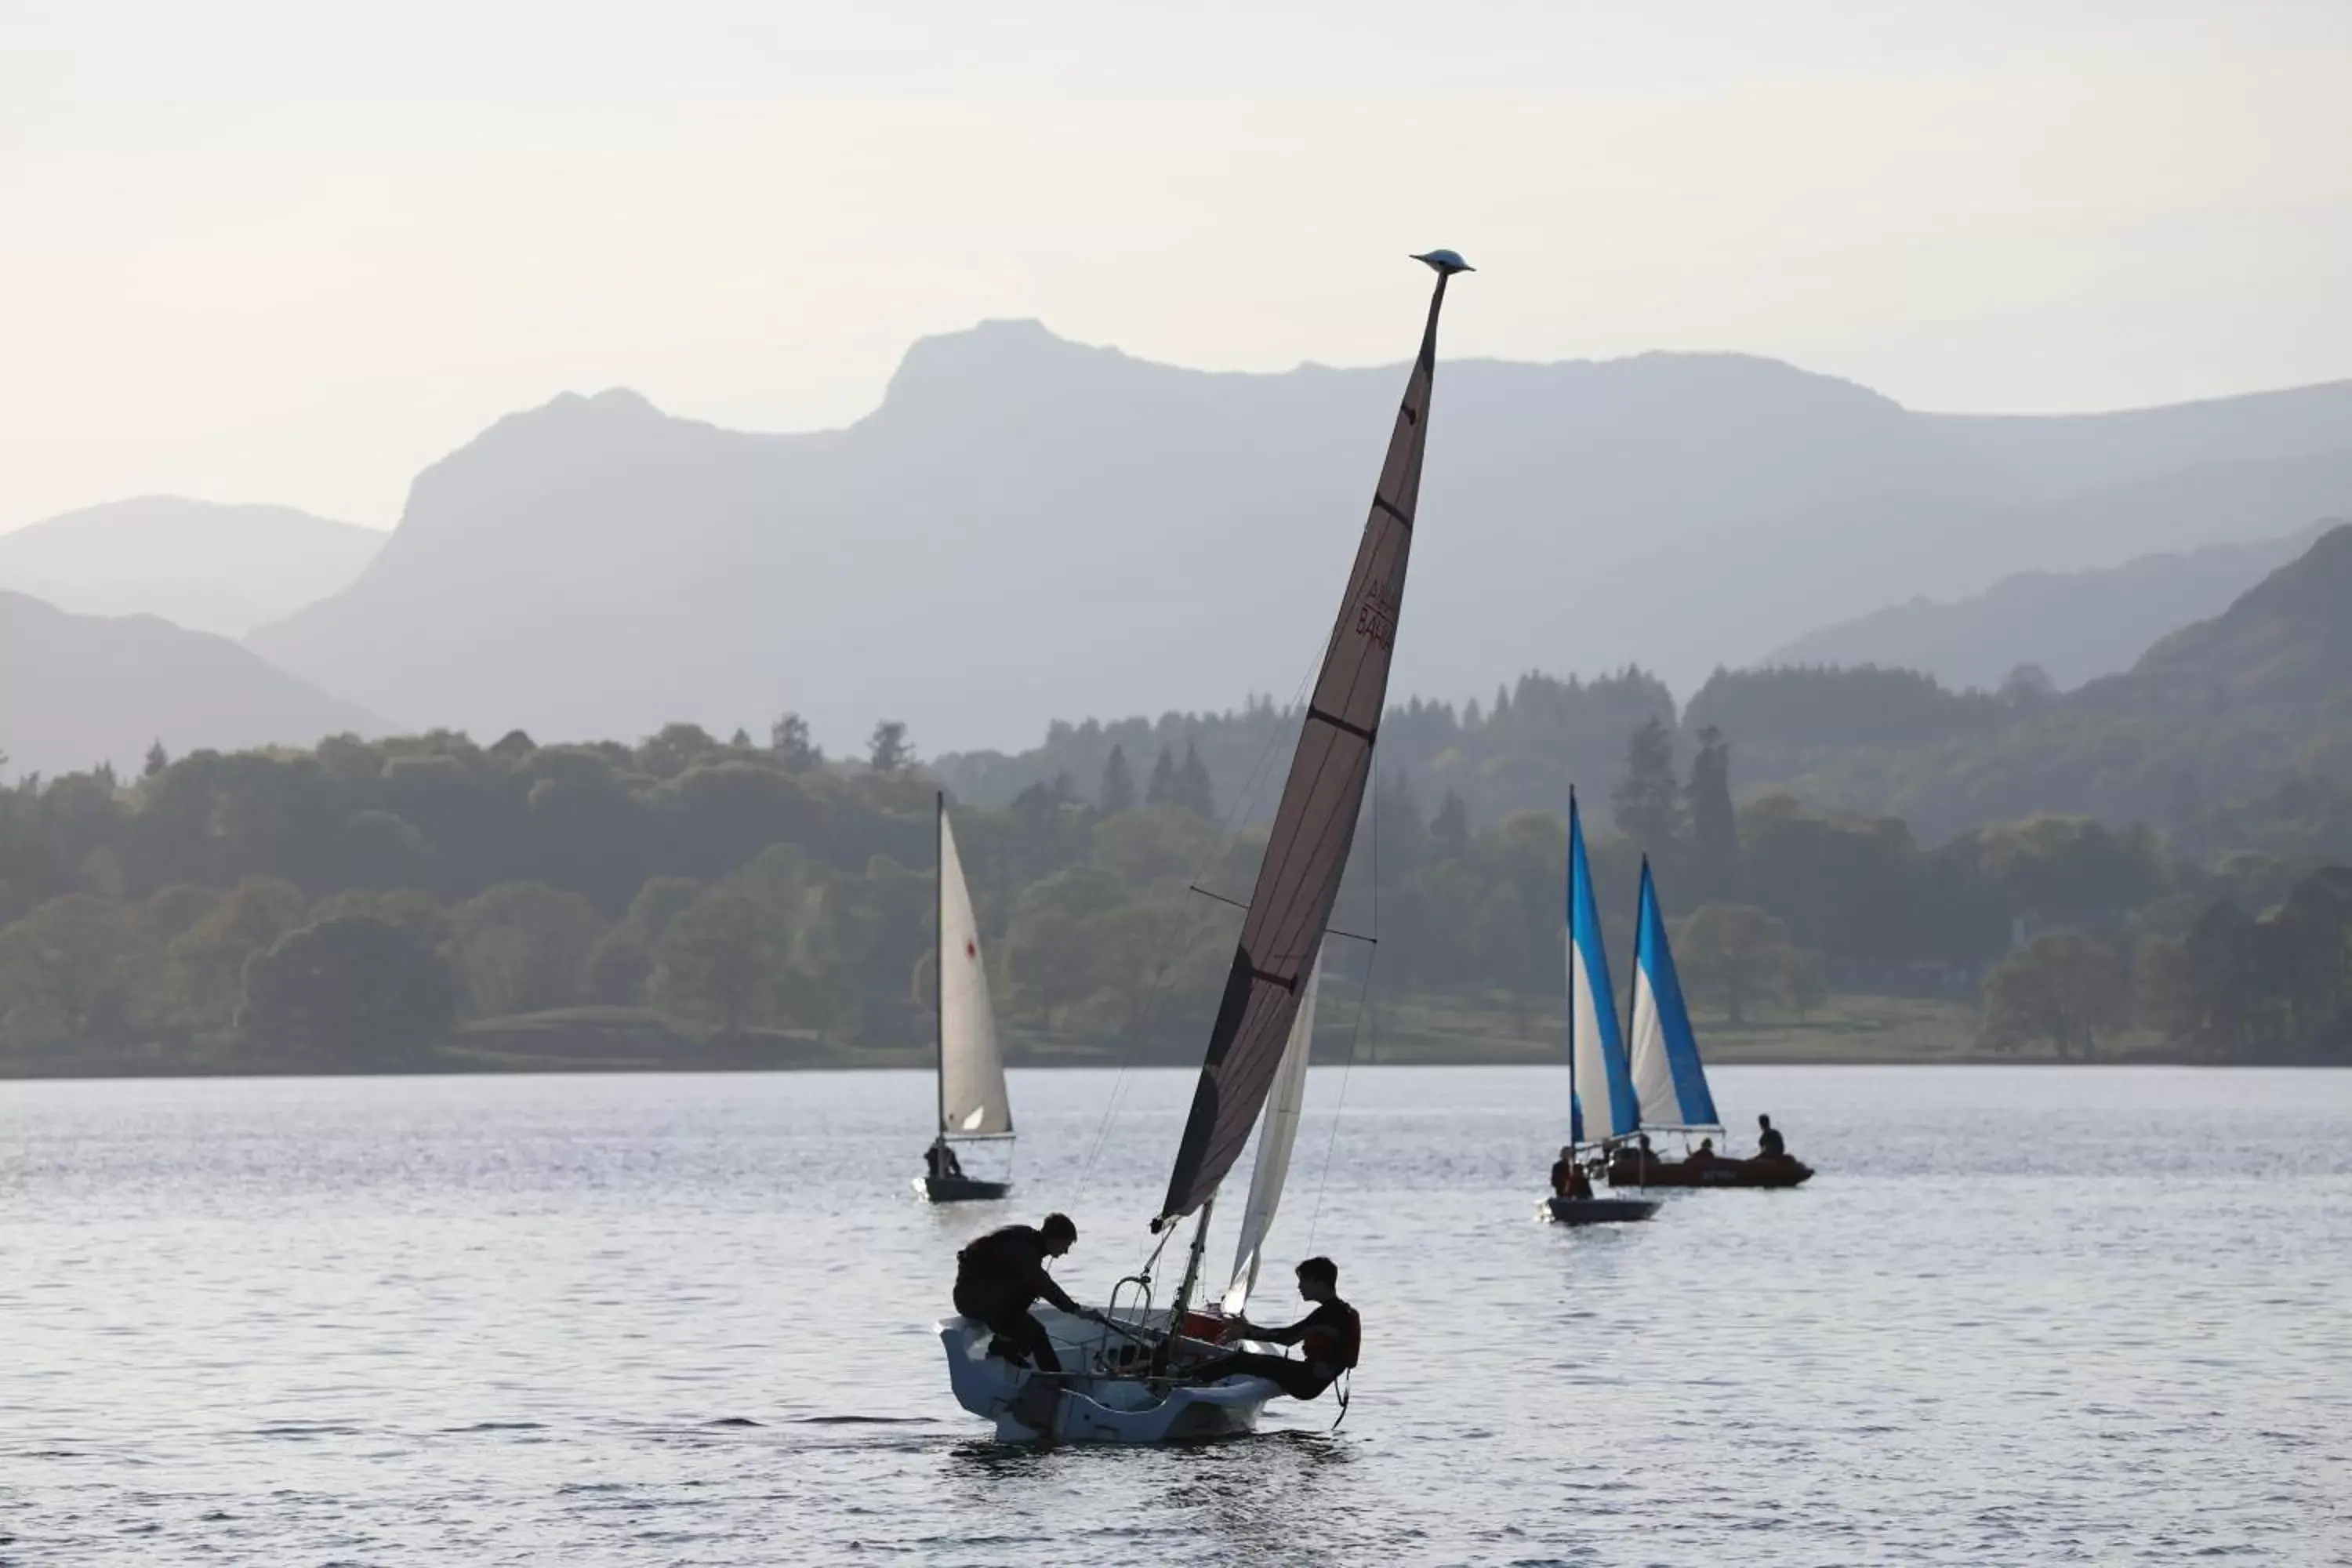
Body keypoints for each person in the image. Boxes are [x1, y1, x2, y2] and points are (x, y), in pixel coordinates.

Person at [1187, 1257, 1361, 1402]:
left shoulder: (1332, 1315)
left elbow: (1287, 1338)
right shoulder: (1338, 1310)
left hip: (1307, 1381)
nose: (1300, 1287)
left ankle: (1185, 1378)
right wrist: (1248, 1329)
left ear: (1319, 1282)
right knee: (1247, 1362)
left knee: (1238, 1361)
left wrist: (1245, 1332)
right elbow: (1290, 1337)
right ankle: (1194, 1377)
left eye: (1304, 1280)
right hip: (1312, 1379)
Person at [953, 1213, 1083, 1374]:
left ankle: (1054, 1379)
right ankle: (1006, 1345)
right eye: (1066, 1245)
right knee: (1031, 1287)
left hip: (989, 1298)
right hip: (972, 1298)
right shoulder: (1024, 1249)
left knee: (1038, 1333)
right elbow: (1043, 1284)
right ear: (1055, 1239)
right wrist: (1074, 1309)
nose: (1066, 1252)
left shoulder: (1029, 1244)